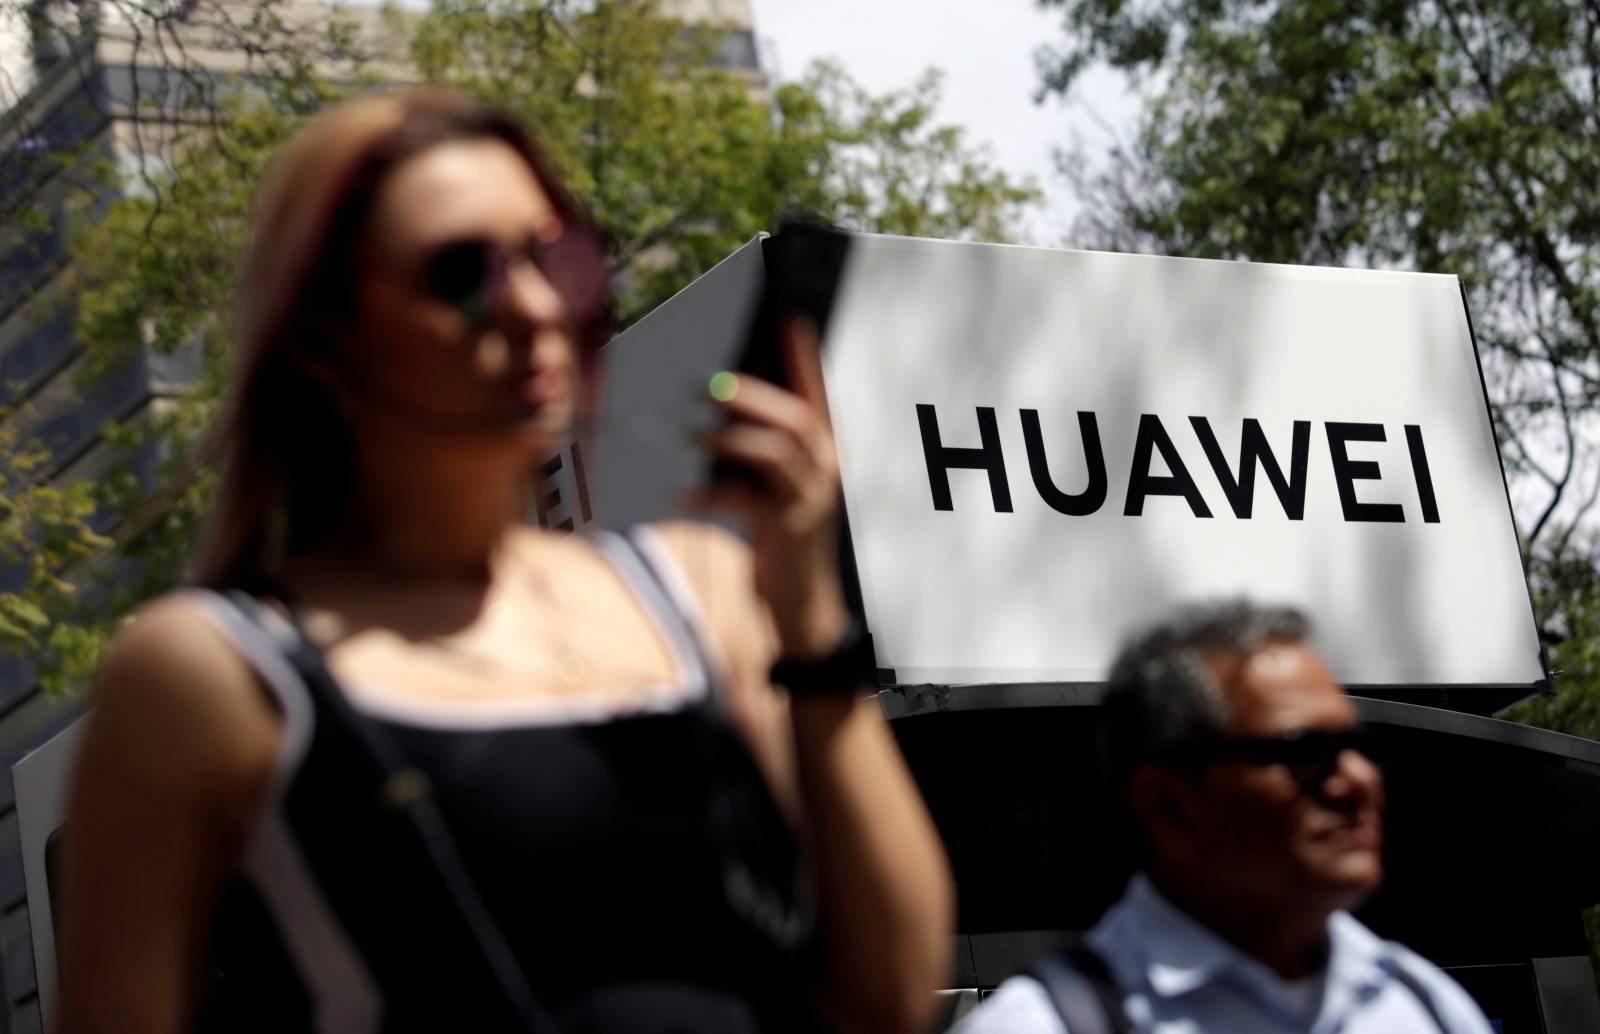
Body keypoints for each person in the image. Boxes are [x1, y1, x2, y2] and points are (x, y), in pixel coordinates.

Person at [55, 88, 953, 1034]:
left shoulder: (701, 591)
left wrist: (810, 617)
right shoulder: (211, 673)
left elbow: (891, 994)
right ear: (324, 334)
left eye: (555, 255)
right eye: (460, 273)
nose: (532, 307)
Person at [952, 601, 1492, 1034]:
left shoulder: (1426, 1004)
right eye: (1303, 751)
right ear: (1170, 805)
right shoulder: (1043, 1023)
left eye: (1357, 745)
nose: (1357, 780)